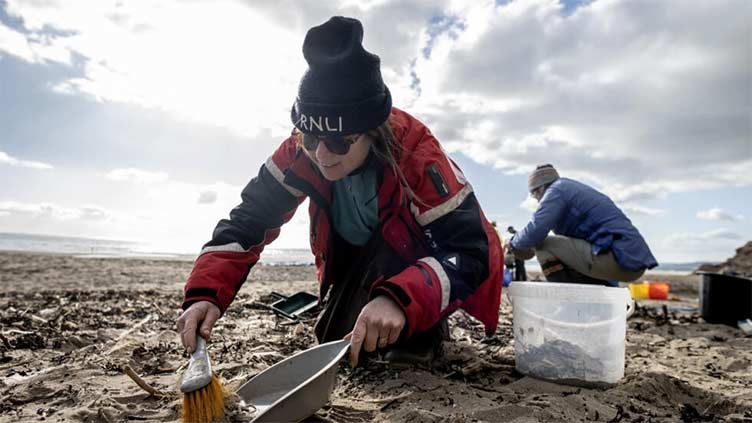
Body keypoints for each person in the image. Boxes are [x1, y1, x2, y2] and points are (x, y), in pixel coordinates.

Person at [176, 16, 503, 368]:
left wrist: (398, 300)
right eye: (311, 138)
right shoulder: (298, 152)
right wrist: (204, 295)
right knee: (335, 340)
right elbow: (249, 221)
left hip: (416, 260)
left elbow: (470, 254)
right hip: (354, 260)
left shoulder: (417, 155)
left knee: (391, 348)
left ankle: (425, 326)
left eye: (339, 142)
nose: (322, 155)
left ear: (373, 132)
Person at [505, 164, 657, 285]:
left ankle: (567, 302)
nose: (536, 199)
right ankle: (594, 303)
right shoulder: (569, 190)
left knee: (543, 244)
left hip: (619, 258)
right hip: (627, 258)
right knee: (564, 251)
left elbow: (535, 231)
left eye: (534, 193)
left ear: (541, 187)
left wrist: (512, 242)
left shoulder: (556, 190)